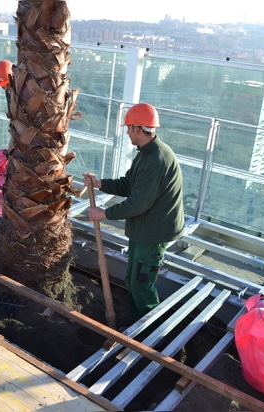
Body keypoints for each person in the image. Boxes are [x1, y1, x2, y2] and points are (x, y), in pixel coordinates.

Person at [83, 103, 184, 323]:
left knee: (142, 284)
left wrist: (105, 214)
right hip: (145, 229)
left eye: (128, 129)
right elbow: (129, 185)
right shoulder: (146, 154)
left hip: (154, 232)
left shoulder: (156, 160)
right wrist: (100, 183)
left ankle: (152, 333)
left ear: (138, 129)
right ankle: (139, 323)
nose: (127, 133)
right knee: (132, 278)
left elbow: (138, 203)